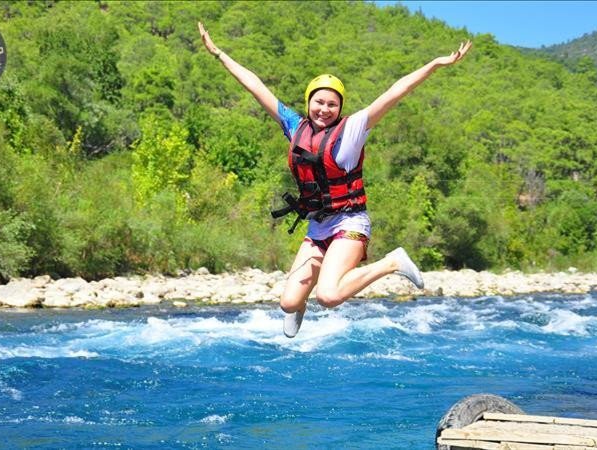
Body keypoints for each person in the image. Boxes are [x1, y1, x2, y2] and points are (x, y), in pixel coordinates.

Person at [198, 22, 472, 338]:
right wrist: (218, 53)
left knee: (328, 296)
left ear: (340, 108)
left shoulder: (352, 130)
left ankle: (392, 263)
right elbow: (256, 86)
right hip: (317, 226)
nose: (324, 109)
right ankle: (297, 303)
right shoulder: (294, 126)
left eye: (332, 104)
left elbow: (397, 91)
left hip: (350, 223)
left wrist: (436, 64)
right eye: (319, 101)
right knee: (287, 303)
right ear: (308, 102)